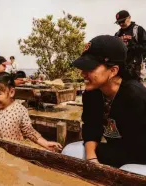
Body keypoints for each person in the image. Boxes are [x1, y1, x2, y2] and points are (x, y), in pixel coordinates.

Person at [62, 35, 146, 176]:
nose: (83, 74)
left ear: (113, 70)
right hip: (117, 151)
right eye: (83, 68)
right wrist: (92, 159)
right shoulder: (92, 93)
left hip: (140, 157)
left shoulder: (135, 96)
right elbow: (91, 127)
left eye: (90, 68)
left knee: (129, 172)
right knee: (71, 152)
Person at [0, 72, 62, 151]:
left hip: (14, 151)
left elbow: (29, 132)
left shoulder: (20, 110)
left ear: (11, 92)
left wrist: (45, 143)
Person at [114, 10, 146, 78]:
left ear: (129, 18)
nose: (121, 24)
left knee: (135, 87)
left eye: (122, 21)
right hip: (121, 69)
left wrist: (131, 48)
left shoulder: (138, 29)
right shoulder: (117, 34)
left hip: (136, 69)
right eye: (119, 22)